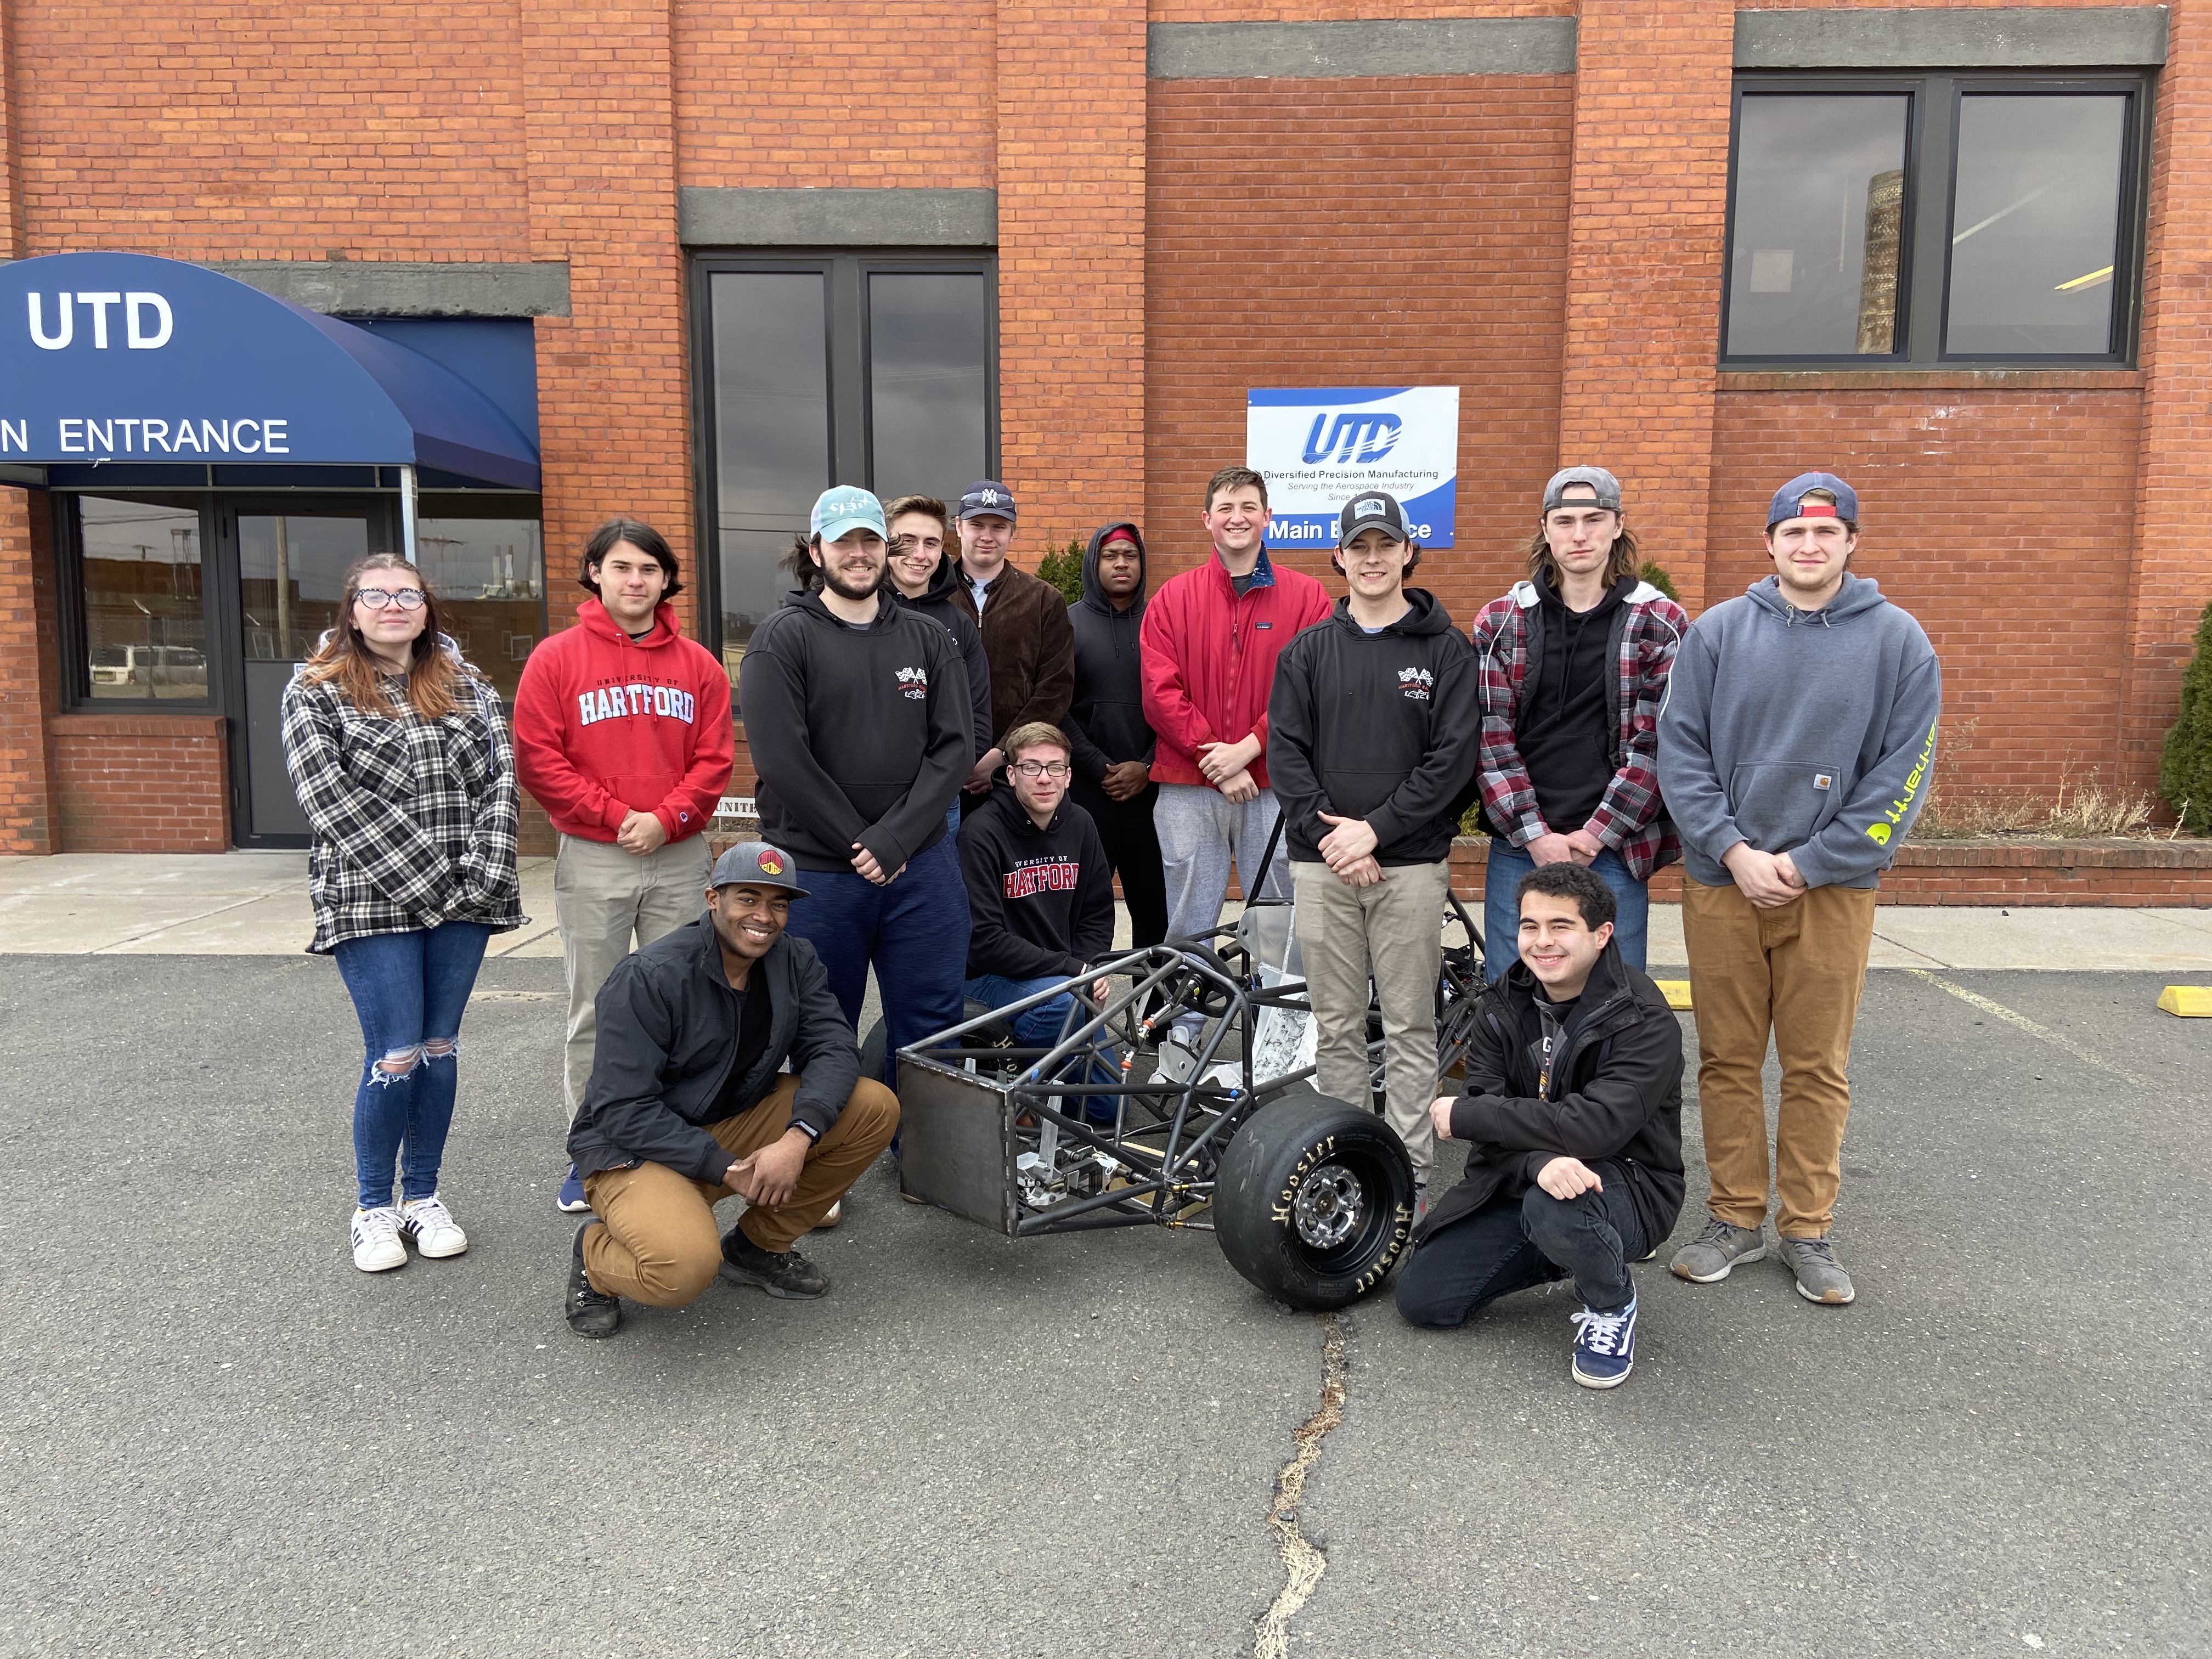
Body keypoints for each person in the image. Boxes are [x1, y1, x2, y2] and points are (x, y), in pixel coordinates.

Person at [1657, 471, 1941, 1306]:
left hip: (1833, 892)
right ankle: (1736, 1220)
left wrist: (1812, 862)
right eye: (1793, 533)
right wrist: (1733, 850)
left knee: (1817, 1066)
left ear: (1852, 542)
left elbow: (1904, 775)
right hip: (1723, 884)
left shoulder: (1898, 642)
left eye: (1826, 533)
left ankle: (1807, 1230)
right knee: (1728, 1060)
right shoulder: (1715, 635)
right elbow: (1681, 754)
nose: (1808, 546)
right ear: (1770, 543)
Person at [281, 554, 526, 1273]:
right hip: (369, 898)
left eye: (408, 595)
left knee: (441, 1047)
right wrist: (426, 882)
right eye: (376, 595)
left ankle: (423, 1196)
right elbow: (330, 800)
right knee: (395, 1049)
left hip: (467, 896)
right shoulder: (316, 691)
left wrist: (480, 872)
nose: (393, 606)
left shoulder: (469, 687)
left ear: (427, 607)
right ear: (351, 609)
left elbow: (499, 782)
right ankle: (373, 1209)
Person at [562, 842, 900, 1339]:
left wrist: (797, 1136)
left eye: (778, 903)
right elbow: (621, 1110)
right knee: (681, 1270)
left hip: (731, 1118)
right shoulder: (650, 977)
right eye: (748, 898)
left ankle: (758, 1248)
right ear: (712, 898)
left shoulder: (794, 960)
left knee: (873, 1106)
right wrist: (725, 1169)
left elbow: (833, 1048)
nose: (764, 917)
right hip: (636, 1148)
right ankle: (595, 1258)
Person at [1266, 492, 1479, 1216]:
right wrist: (1336, 838)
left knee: (1412, 1024)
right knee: (1337, 1025)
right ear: (1339, 558)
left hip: (1409, 867)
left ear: (1409, 553)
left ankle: (1411, 1175)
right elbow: (1287, 757)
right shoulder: (1306, 653)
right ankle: (1349, 1163)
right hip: (1322, 866)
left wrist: (1375, 831)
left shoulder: (1447, 653)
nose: (1373, 557)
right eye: (1359, 546)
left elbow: (1453, 761)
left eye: (1386, 544)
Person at [511, 518, 733, 1214]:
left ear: (667, 580)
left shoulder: (697, 663)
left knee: (687, 1010)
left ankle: (678, 1144)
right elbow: (538, 759)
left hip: (678, 857)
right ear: (596, 575)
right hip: (596, 856)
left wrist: (664, 818)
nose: (635, 580)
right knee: (597, 1010)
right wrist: (617, 818)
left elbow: (714, 759)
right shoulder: (556, 658)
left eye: (648, 569)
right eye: (622, 567)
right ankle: (596, 1153)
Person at [1396, 864, 1685, 1390]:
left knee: (1559, 1206)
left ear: (1601, 935)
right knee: (1426, 1300)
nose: (1542, 942)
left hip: (1628, 1182)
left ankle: (1612, 1303)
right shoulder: (1502, 1005)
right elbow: (1491, 1127)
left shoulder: (1643, 1018)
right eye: (1530, 926)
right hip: (1525, 1175)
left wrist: (1467, 1114)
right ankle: (1572, 1247)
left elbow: (1595, 1128)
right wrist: (1538, 1161)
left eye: (1561, 926)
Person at [740, 487, 973, 1087]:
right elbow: (783, 760)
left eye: (871, 540)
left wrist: (896, 840)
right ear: (817, 551)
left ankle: (922, 1161)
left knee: (931, 1024)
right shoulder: (781, 639)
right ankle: (824, 1165)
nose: (860, 553)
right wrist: (862, 844)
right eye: (845, 542)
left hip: (920, 868)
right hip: (820, 874)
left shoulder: (928, 639)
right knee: (820, 1024)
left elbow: (954, 750)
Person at [1470, 467, 1688, 981]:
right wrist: (1534, 834)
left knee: (1613, 1000)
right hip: (1521, 845)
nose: (1580, 534)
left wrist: (1595, 835)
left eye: (1595, 519)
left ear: (1617, 526)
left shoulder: (1661, 622)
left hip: (1615, 846)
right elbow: (1489, 738)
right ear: (1546, 529)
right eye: (1564, 521)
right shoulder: (1501, 621)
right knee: (1512, 995)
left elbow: (1657, 745)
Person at [1141, 465, 1331, 946]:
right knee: (1187, 916)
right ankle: (1183, 1016)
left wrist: (1249, 749)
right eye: (1226, 508)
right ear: (1207, 519)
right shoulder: (1172, 598)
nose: (1237, 517)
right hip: (1189, 782)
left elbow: (1314, 690)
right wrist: (1219, 761)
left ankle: (1278, 1018)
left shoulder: (1309, 598)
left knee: (1279, 914)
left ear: (1268, 516)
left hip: (1275, 782)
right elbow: (1159, 692)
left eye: (1249, 507)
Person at [958, 721, 1119, 1122]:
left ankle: (1030, 1083)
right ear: (1011, 774)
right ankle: (1014, 1091)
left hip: (1060, 977)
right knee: (1062, 1003)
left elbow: (1097, 915)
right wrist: (1073, 972)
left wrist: (1088, 970)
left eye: (1055, 768)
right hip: (987, 978)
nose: (1045, 779)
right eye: (1031, 767)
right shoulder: (980, 833)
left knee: (1108, 1109)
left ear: (1068, 774)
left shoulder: (1081, 824)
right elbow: (984, 941)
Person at [1062, 521, 1167, 948]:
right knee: (1084, 911)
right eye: (1110, 556)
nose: (1121, 564)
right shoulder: (1066, 623)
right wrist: (1099, 766)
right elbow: (1056, 707)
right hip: (1090, 794)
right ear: (1094, 563)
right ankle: (1081, 1006)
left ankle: (1159, 1011)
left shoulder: (1164, 622)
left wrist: (1147, 765)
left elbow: (1183, 705)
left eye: (1130, 555)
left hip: (1156, 792)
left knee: (1157, 910)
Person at [946, 481, 1075, 816]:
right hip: (935, 770)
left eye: (999, 527)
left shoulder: (1044, 600)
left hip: (1016, 773)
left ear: (1012, 532)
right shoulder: (930, 595)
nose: (987, 536)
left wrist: (1003, 754)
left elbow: (1055, 689)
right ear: (959, 527)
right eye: (977, 525)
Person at [883, 493, 995, 831]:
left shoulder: (958, 624)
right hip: (863, 797)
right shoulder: (857, 616)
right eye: (907, 542)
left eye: (931, 543)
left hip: (938, 805)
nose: (920, 554)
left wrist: (936, 788)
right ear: (884, 546)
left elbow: (976, 719)